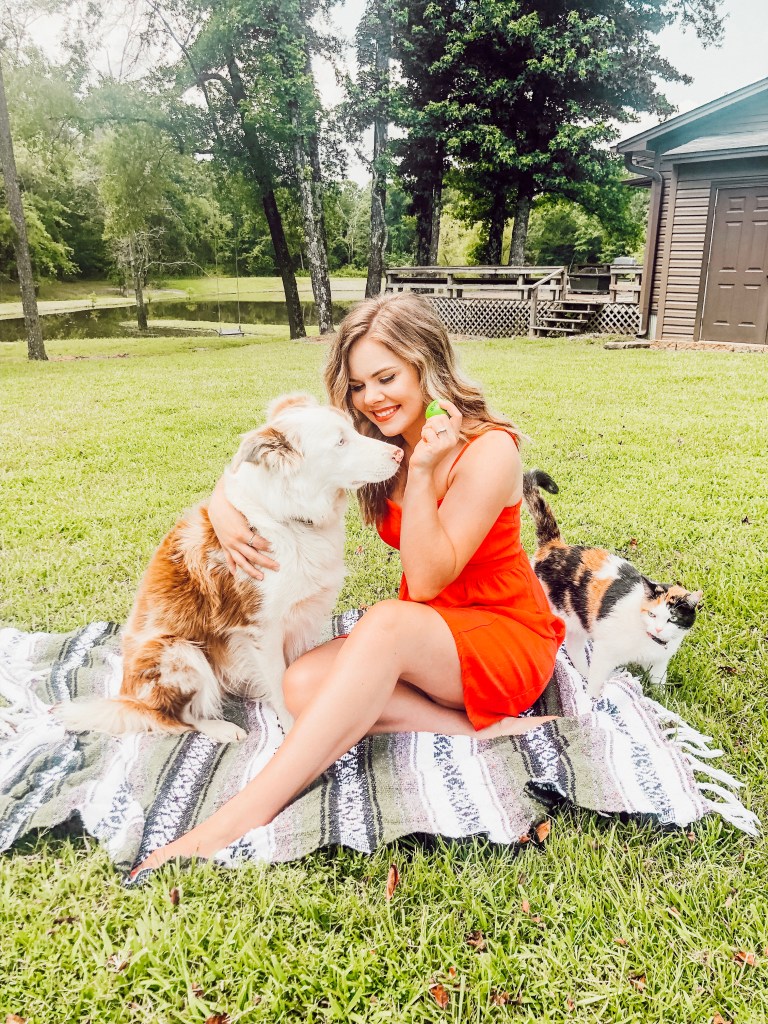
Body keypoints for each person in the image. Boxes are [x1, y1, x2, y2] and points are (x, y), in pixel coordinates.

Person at [133, 293, 565, 874]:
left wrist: (422, 472)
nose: (372, 398)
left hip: (501, 636)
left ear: (426, 365)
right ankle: (479, 731)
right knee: (300, 684)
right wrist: (224, 506)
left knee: (384, 622)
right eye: (359, 385)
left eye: (387, 378)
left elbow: (430, 579)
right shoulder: (377, 443)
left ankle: (239, 815)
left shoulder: (488, 451)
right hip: (432, 640)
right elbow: (267, 454)